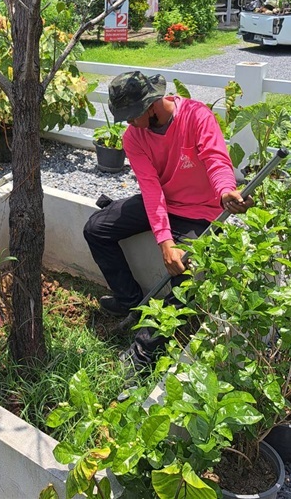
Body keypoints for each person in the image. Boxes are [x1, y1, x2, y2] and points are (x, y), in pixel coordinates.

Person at [84, 70, 253, 371]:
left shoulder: (197, 117)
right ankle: (132, 302)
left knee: (185, 275)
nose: (128, 123)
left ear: (150, 106)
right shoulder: (134, 136)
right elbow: (151, 189)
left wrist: (226, 191)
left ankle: (145, 349)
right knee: (96, 228)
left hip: (201, 210)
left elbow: (216, 160)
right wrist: (165, 241)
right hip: (163, 201)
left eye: (130, 116)